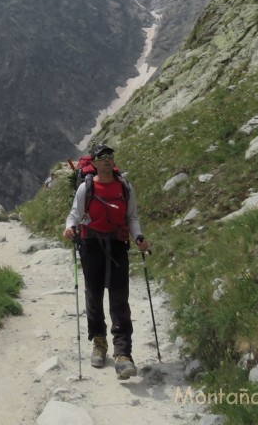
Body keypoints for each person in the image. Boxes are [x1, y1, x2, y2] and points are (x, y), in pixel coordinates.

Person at [62, 144, 149, 379]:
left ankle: (123, 353)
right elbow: (74, 214)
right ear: (95, 163)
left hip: (118, 244)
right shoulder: (86, 188)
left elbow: (132, 217)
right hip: (91, 245)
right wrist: (70, 227)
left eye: (110, 156)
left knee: (120, 297)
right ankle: (99, 342)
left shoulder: (125, 187)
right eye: (102, 157)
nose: (108, 160)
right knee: (94, 294)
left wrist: (138, 236)